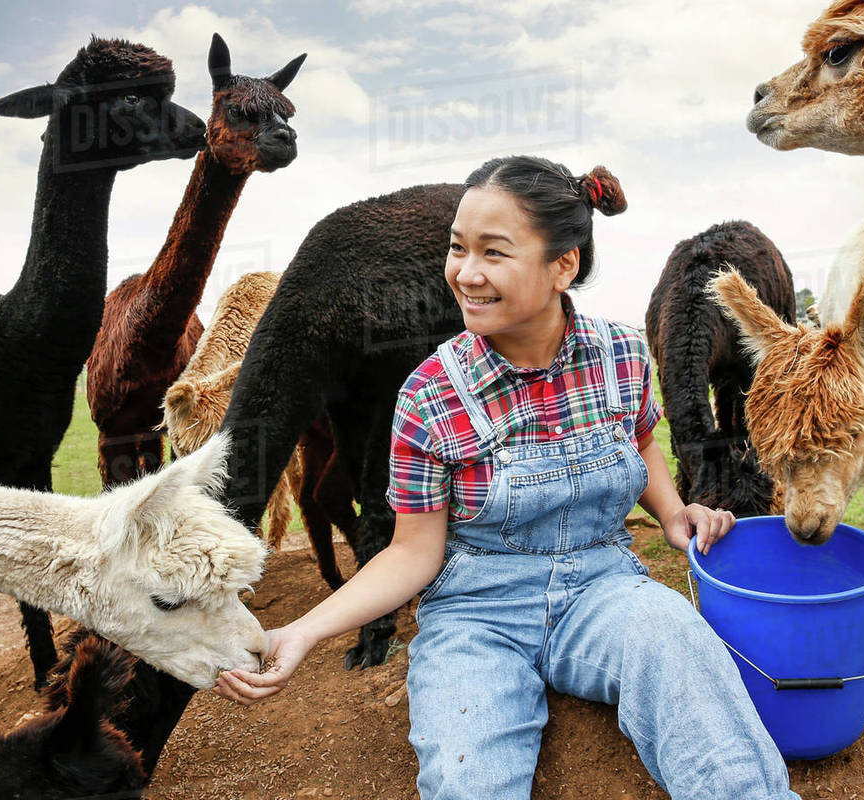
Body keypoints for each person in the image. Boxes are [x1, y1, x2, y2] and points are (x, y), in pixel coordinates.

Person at [215, 155, 800, 800]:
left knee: (698, 689)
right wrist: (302, 631)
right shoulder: (430, 393)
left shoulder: (623, 356)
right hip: (475, 615)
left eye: (494, 253)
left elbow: (638, 445)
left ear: (563, 265)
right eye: (457, 249)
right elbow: (413, 552)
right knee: (469, 783)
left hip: (605, 590)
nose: (466, 274)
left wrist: (672, 514)